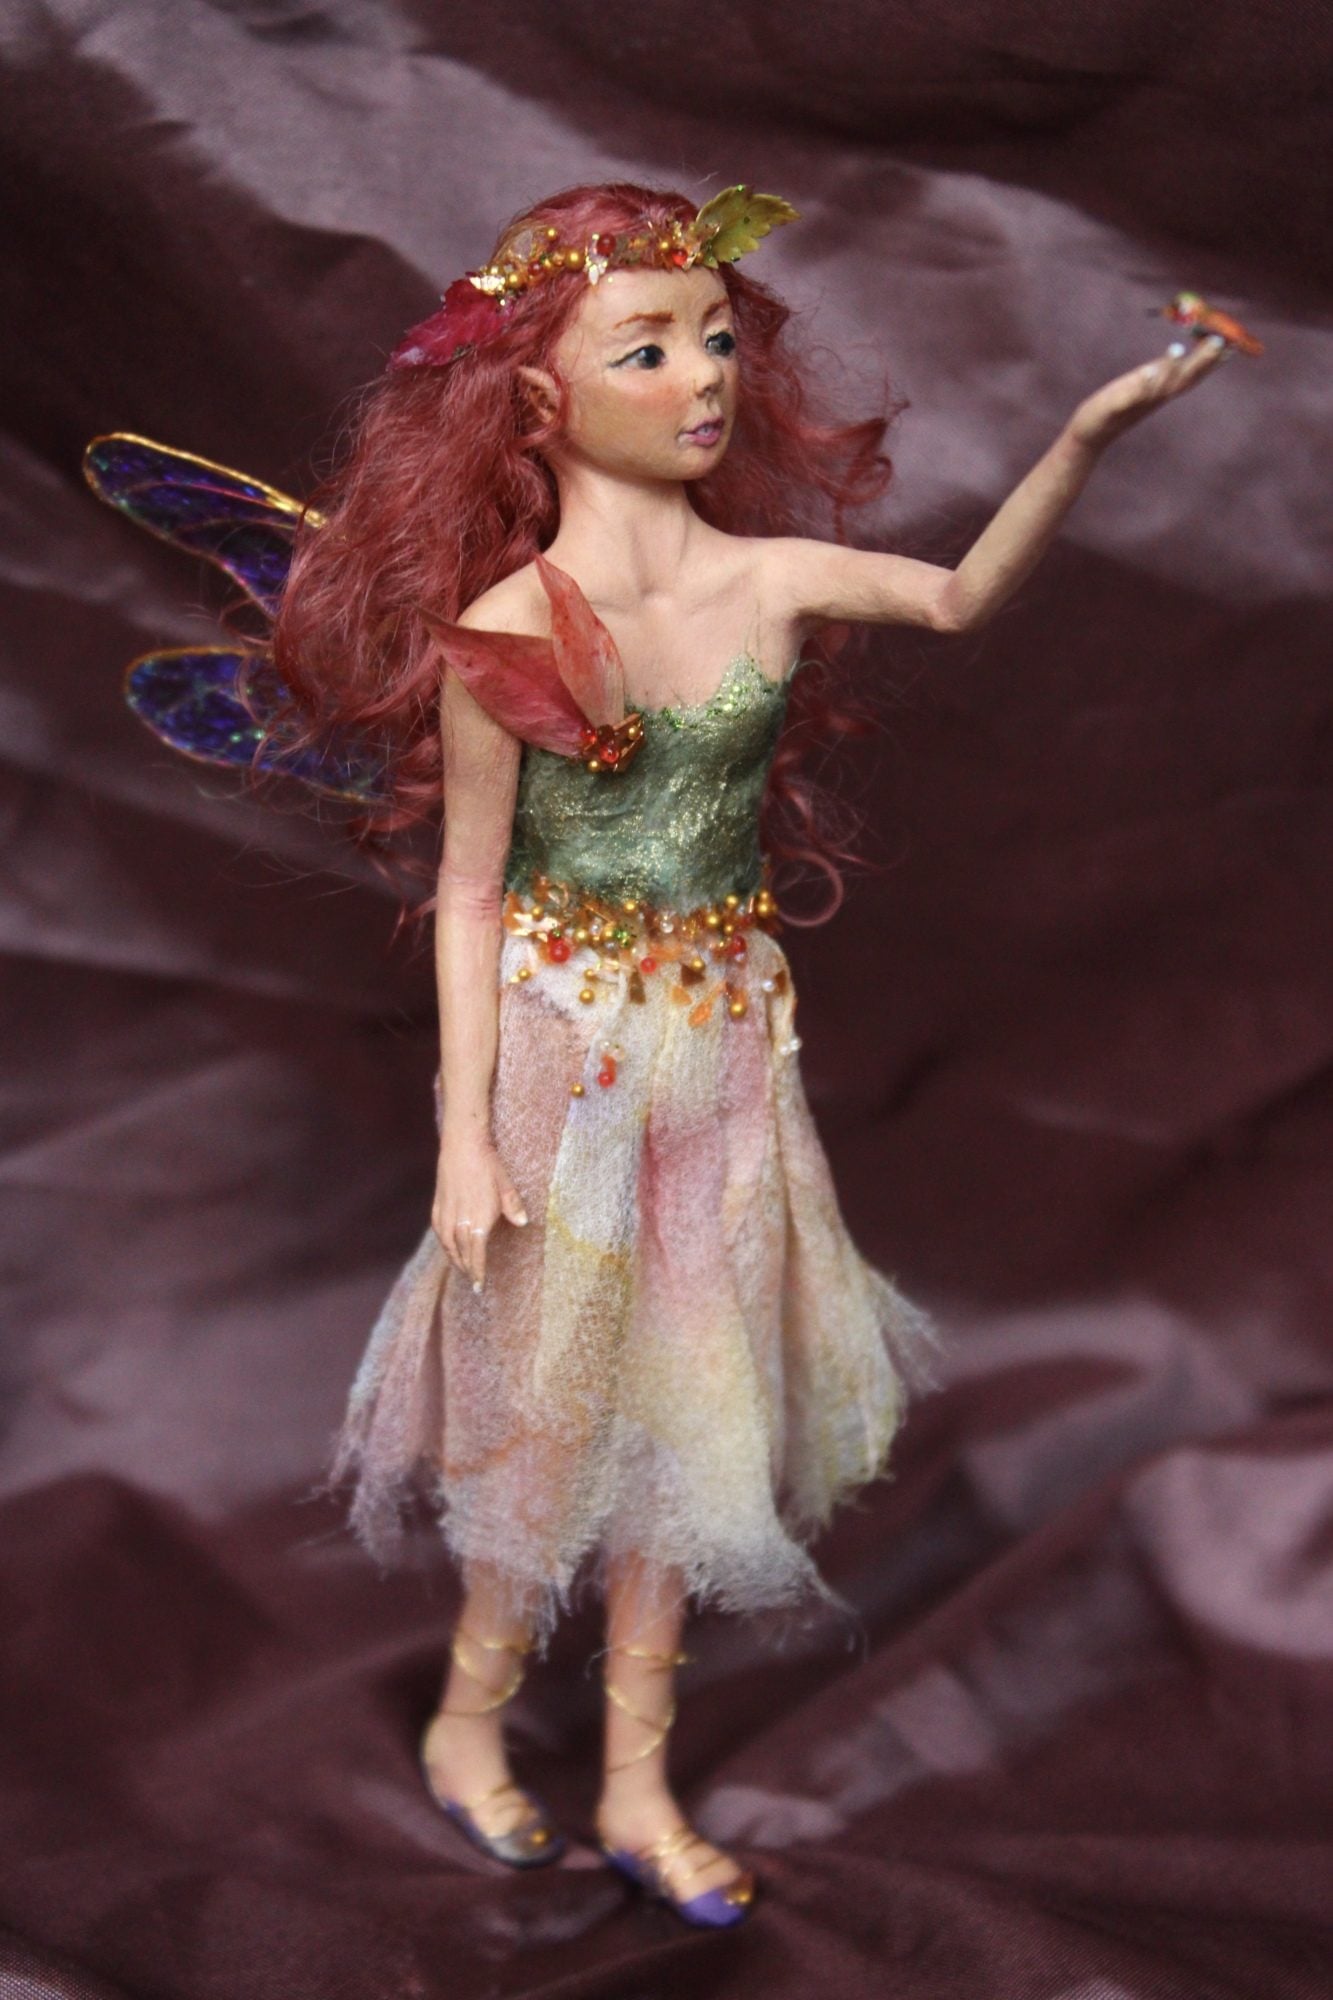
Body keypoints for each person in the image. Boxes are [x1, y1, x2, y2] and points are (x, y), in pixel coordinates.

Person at [266, 180, 1233, 1927]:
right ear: (539, 398)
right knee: (546, 1413)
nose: (702, 374)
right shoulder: (510, 627)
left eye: (715, 337)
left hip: (719, 1046)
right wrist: (461, 1134)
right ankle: (470, 1729)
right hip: (563, 1058)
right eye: (647, 348)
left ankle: (637, 1783)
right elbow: (470, 889)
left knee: (693, 1408)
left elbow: (959, 597)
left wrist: (1090, 430)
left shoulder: (766, 578)